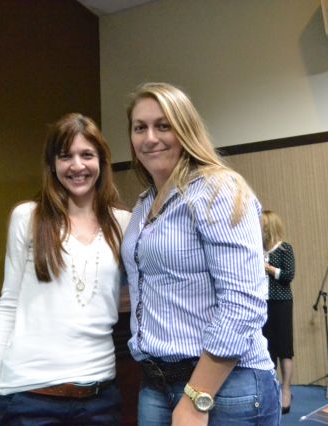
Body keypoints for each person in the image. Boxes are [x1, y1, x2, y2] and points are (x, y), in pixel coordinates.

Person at [121, 82, 280, 426]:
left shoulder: (217, 189)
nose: (150, 138)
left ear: (185, 129)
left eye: (163, 125)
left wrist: (197, 397)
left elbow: (243, 303)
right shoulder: (144, 203)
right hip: (156, 381)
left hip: (223, 383)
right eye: (140, 128)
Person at [0, 113, 131, 426]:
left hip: (100, 398)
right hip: (31, 398)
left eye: (87, 155)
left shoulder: (122, 223)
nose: (77, 166)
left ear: (102, 161)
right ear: (52, 164)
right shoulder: (29, 217)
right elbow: (8, 305)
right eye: (65, 156)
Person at [261, 210, 296, 414]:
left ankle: (286, 389)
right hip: (262, 303)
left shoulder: (284, 249)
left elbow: (288, 276)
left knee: (284, 347)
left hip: (281, 303)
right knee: (267, 348)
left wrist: (268, 268)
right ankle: (271, 389)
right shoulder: (256, 249)